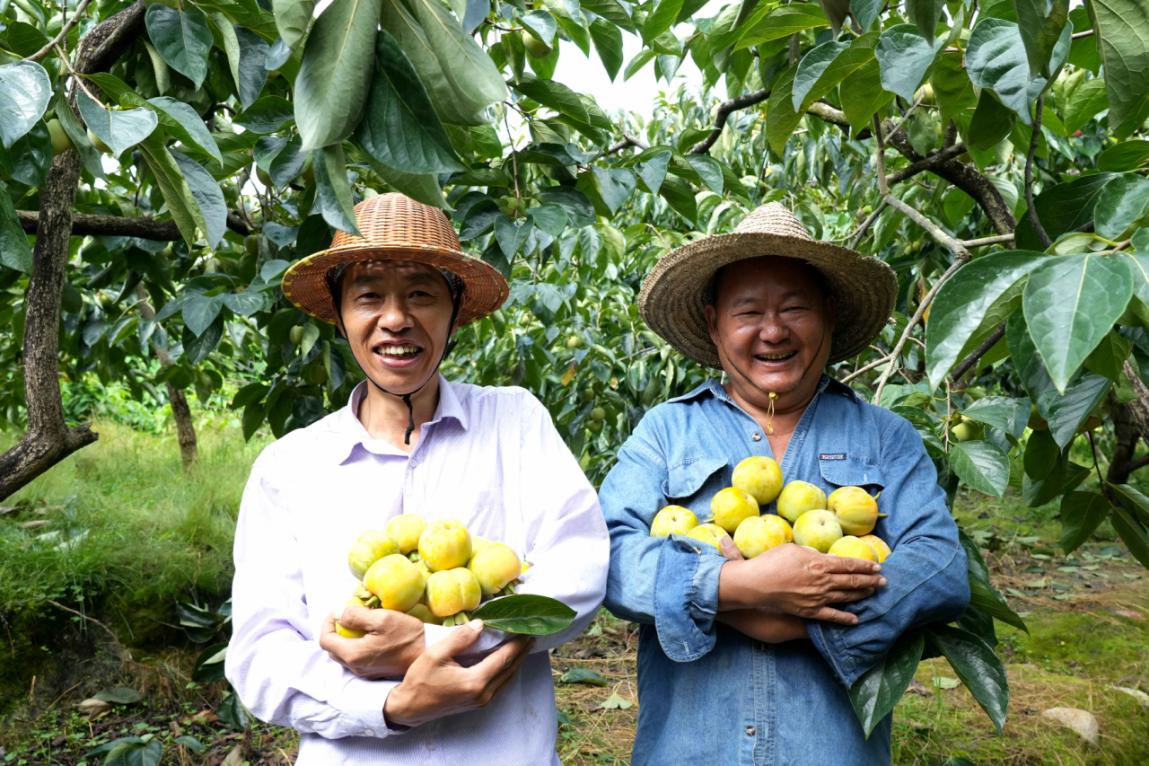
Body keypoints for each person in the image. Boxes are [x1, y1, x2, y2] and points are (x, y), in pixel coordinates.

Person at [225, 193, 609, 765]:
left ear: (454, 312)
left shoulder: (515, 421)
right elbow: (260, 652)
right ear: (341, 315)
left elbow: (577, 569)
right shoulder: (290, 468)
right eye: (368, 296)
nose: (396, 318)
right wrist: (390, 706)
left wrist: (437, 642)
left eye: (422, 294)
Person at [599, 202, 970, 764]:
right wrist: (737, 587)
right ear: (712, 322)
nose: (773, 331)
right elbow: (610, 556)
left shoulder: (885, 437)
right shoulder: (667, 431)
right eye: (748, 311)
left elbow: (940, 567)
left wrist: (796, 624)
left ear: (828, 315)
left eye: (795, 308)